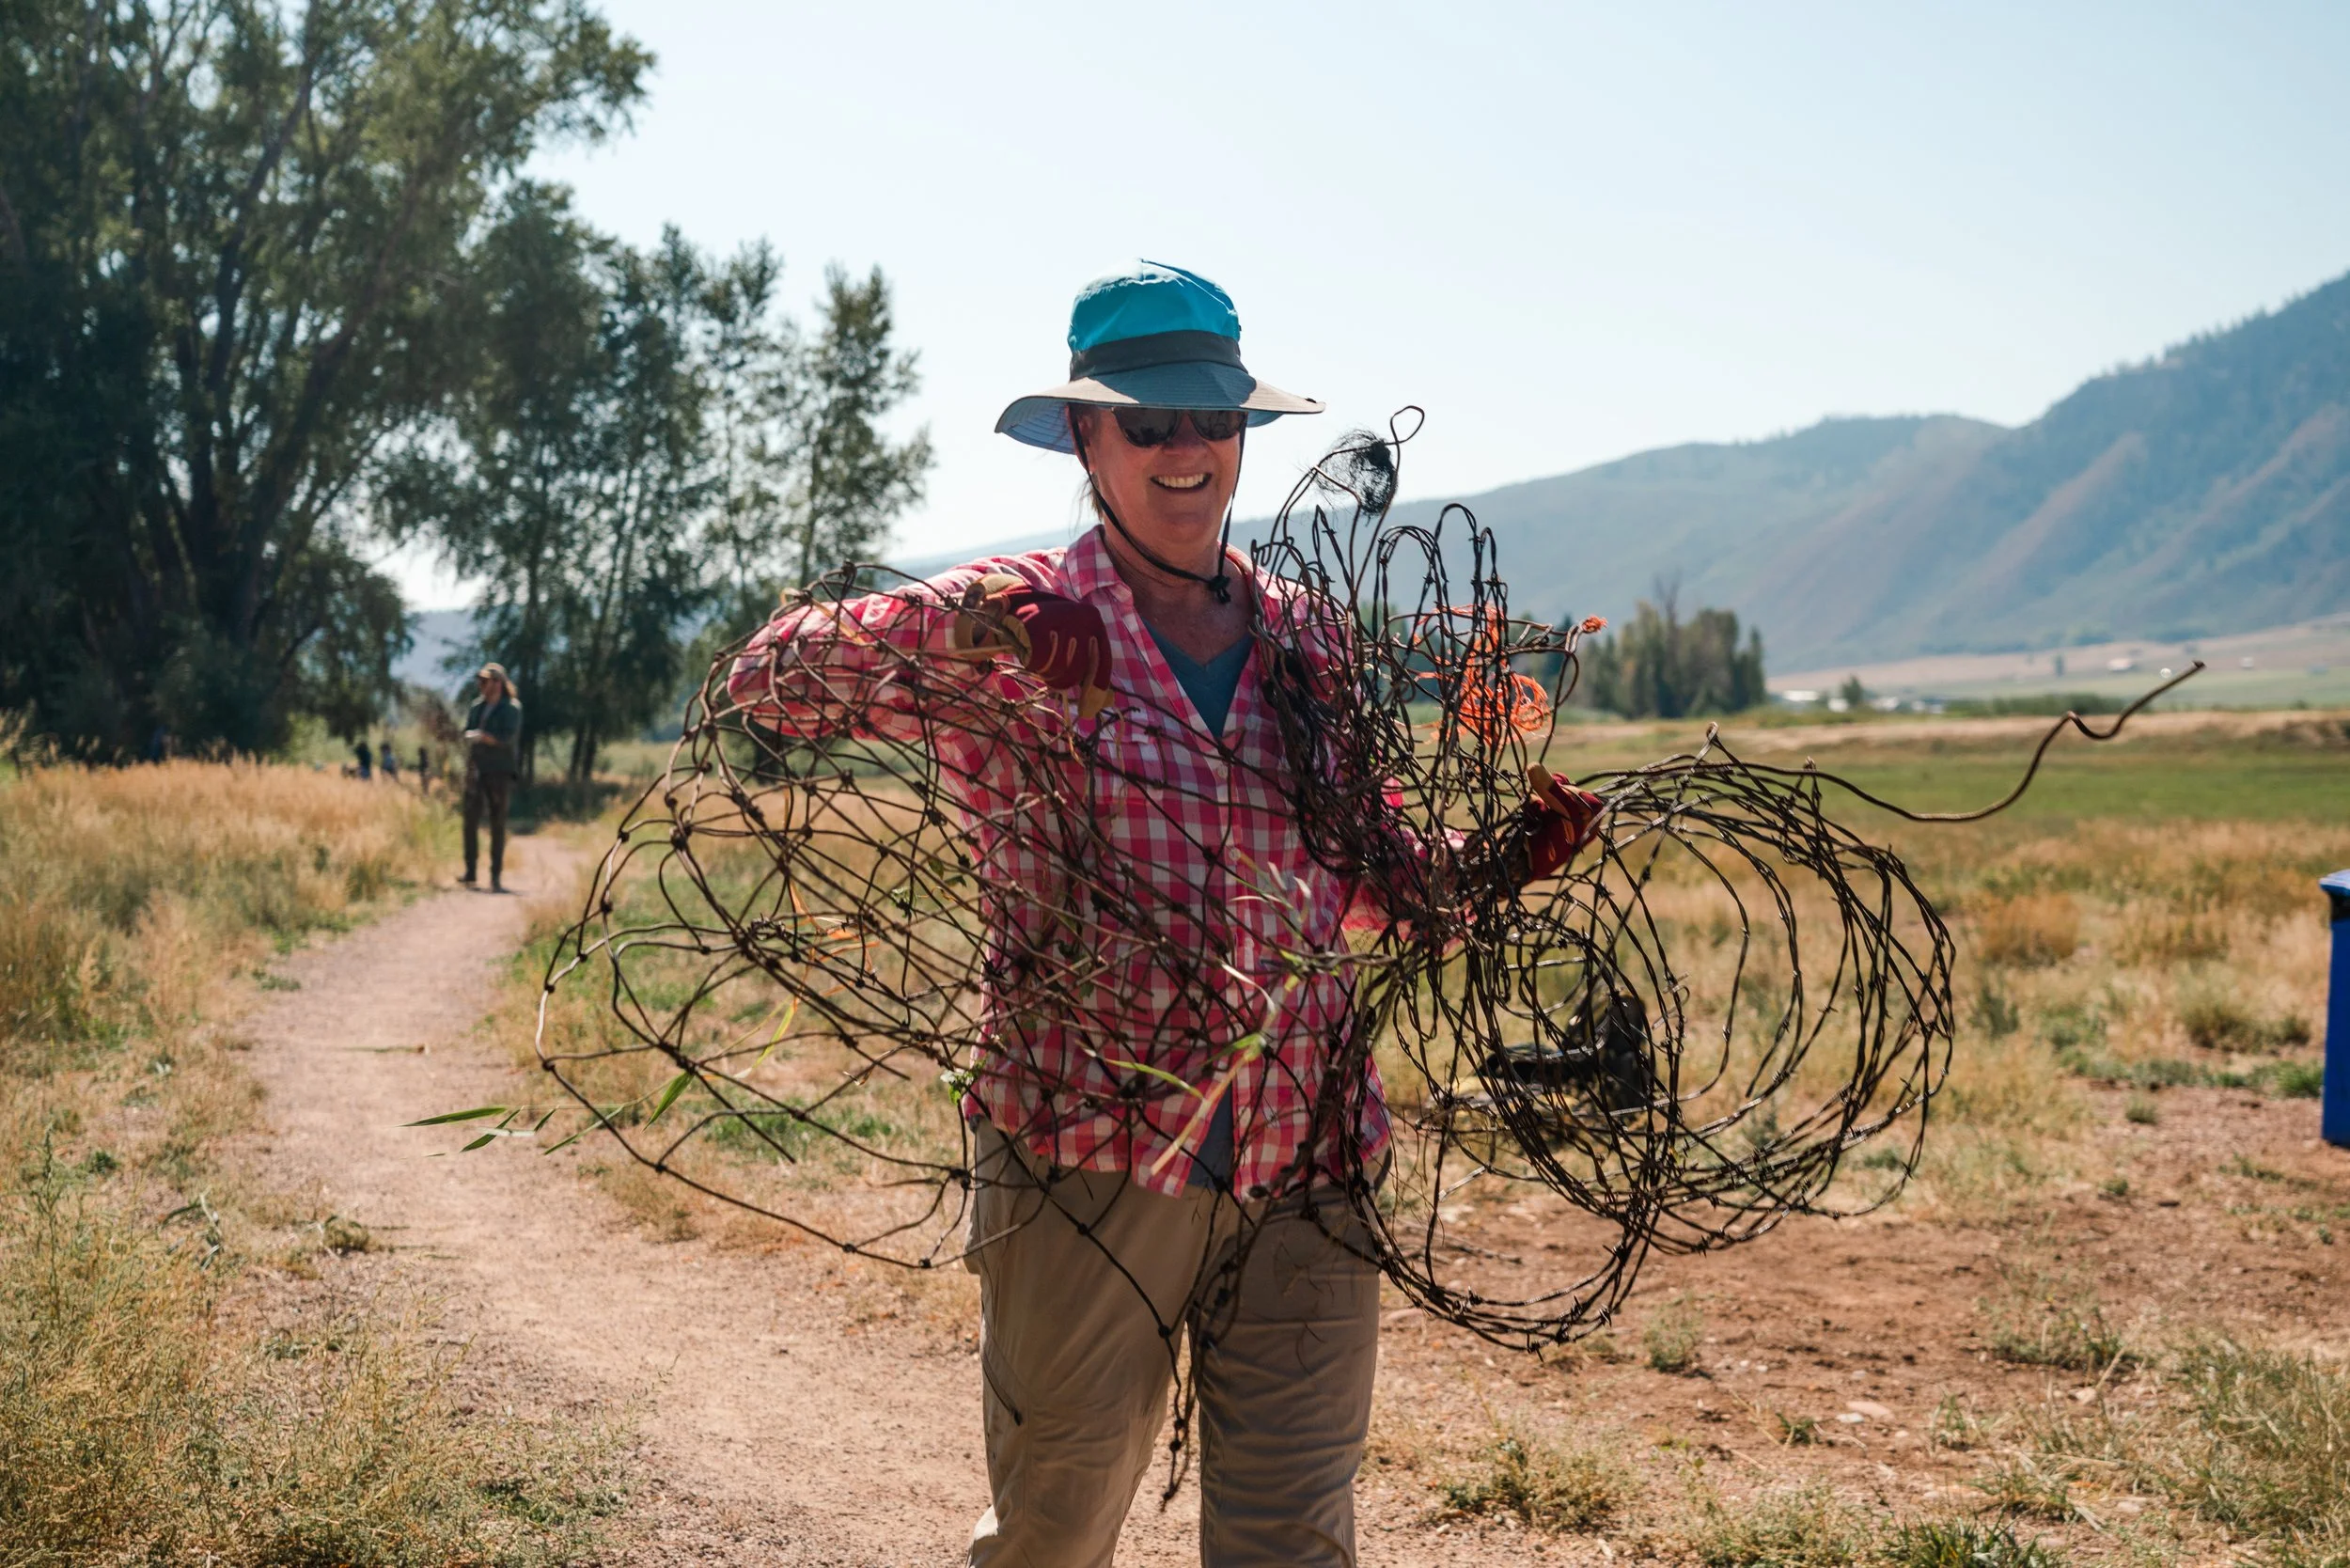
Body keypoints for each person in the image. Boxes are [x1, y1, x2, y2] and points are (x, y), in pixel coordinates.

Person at [729, 261, 1599, 1567]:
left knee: (1295, 1540)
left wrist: (1487, 866)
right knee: (1055, 1528)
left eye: (1215, 420)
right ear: (1086, 435)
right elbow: (764, 686)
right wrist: (967, 624)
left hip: (1309, 1156)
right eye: (1150, 422)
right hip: (1087, 1153)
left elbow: (1362, 874)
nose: (1186, 450)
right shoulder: (1011, 620)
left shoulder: (1307, 637)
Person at [461, 663, 522, 890]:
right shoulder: (476, 707)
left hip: (499, 771)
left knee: (497, 822)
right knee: (470, 820)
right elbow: (467, 730)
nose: (481, 685)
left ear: (498, 683)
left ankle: (495, 875)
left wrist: (485, 737)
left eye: (486, 681)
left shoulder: (511, 708)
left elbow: (508, 738)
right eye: (480, 681)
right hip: (476, 769)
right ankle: (470, 871)